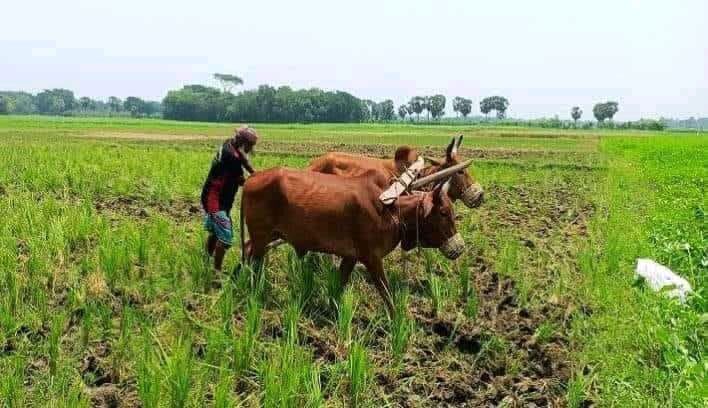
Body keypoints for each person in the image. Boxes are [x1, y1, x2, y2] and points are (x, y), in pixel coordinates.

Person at [201, 125, 258, 273]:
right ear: (243, 142)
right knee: (226, 237)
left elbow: (243, 160)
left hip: (219, 198)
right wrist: (260, 185)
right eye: (249, 145)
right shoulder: (230, 156)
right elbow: (241, 180)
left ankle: (206, 260)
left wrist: (255, 173)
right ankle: (216, 272)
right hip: (215, 201)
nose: (249, 149)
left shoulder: (229, 144)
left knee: (216, 231)